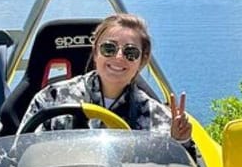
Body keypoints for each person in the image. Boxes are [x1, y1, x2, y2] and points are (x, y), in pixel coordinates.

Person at [19, 13, 194, 149]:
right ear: (95, 53)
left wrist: (180, 141)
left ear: (142, 61)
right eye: (109, 48)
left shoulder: (157, 116)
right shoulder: (51, 99)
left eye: (130, 52)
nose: (119, 57)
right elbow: (21, 156)